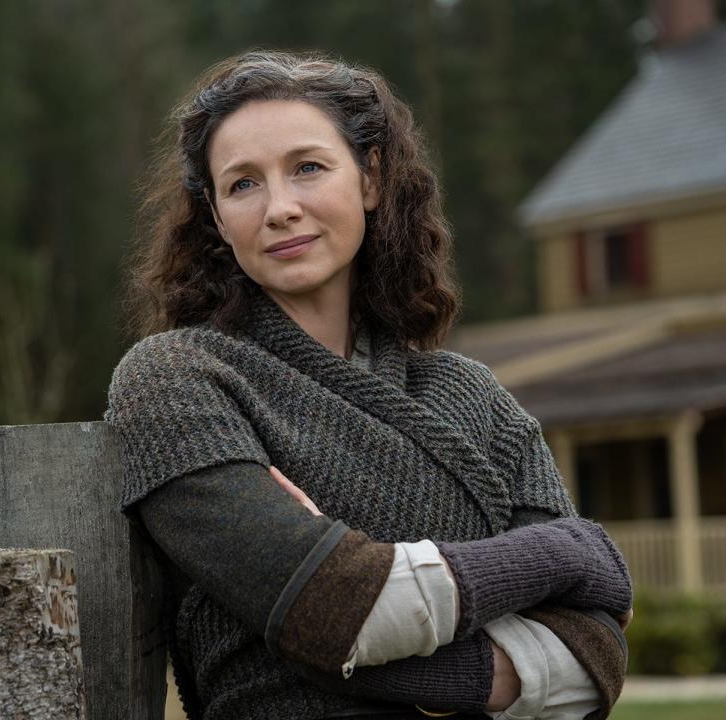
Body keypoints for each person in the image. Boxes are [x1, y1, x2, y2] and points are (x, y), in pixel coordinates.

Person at [105, 50, 632, 720]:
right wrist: (566, 552)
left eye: (307, 168)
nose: (279, 208)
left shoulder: (470, 396)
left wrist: (356, 635)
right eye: (242, 185)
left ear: (371, 179)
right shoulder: (177, 380)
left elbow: (596, 661)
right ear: (214, 216)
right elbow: (336, 611)